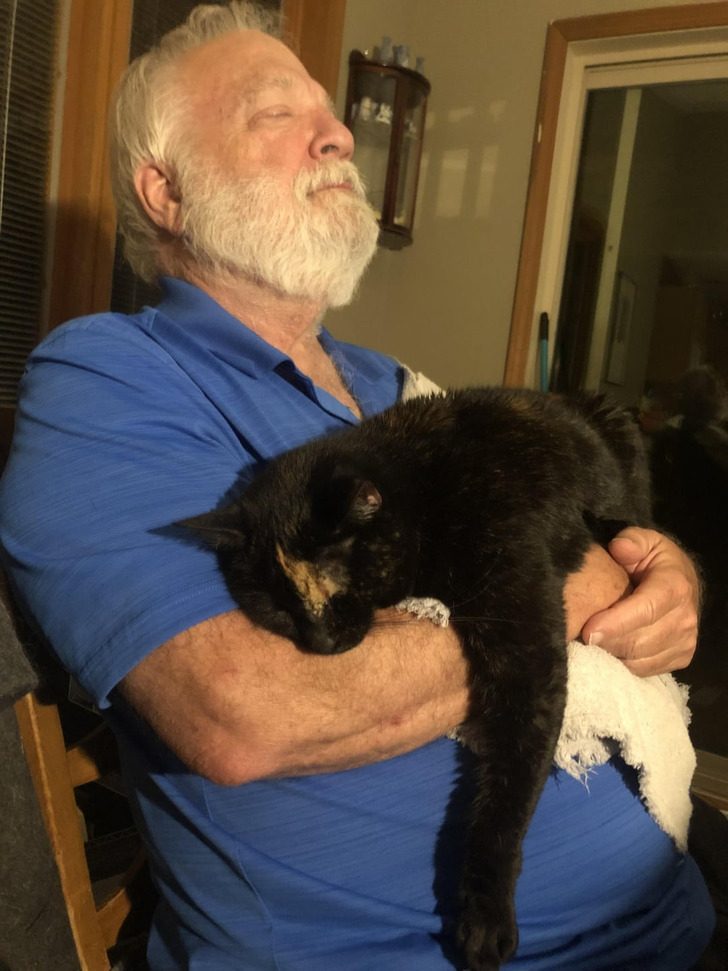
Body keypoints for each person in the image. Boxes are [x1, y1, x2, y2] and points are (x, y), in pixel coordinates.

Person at [0, 4, 714, 969]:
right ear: (165, 190)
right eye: (275, 113)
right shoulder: (108, 378)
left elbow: (574, 523)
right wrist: (565, 595)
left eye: (328, 111)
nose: (337, 133)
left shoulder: (394, 388)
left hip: (674, 905)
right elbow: (244, 717)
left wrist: (664, 571)